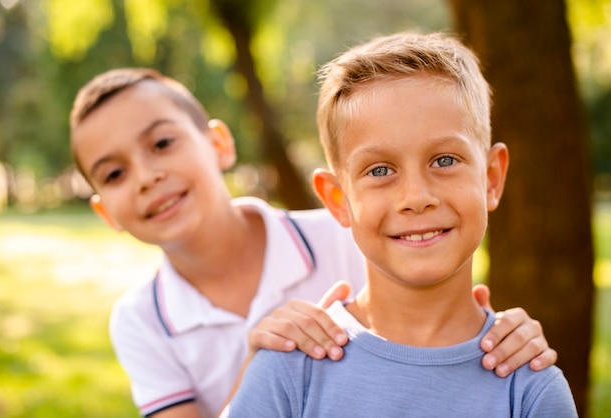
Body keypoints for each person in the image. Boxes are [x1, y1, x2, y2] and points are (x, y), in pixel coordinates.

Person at [69, 67, 559, 418]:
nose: (148, 177)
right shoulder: (141, 319)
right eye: (115, 173)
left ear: (219, 143)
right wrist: (258, 368)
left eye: (161, 144)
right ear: (103, 210)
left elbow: (435, 308)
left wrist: (502, 334)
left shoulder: (349, 233)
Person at [224, 31, 578, 417]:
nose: (415, 197)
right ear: (337, 200)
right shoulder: (289, 369)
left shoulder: (530, 389)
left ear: (491, 178)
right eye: (380, 170)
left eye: (444, 160)